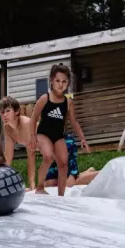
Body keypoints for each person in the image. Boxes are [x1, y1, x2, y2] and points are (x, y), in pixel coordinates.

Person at [29, 64, 91, 196]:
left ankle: (61, 196)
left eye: (64, 81)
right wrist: (33, 137)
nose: (60, 84)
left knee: (63, 164)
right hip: (43, 134)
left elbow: (74, 122)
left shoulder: (68, 103)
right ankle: (39, 187)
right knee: (48, 156)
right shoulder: (45, 98)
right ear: (51, 81)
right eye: (57, 81)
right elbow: (33, 118)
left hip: (58, 136)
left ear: (68, 83)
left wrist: (82, 138)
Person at [0, 95, 37, 190]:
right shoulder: (7, 127)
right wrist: (1, 178)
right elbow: (8, 155)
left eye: (8, 111)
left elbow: (31, 155)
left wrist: (31, 183)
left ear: (17, 111)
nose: (4, 115)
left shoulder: (26, 124)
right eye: (2, 112)